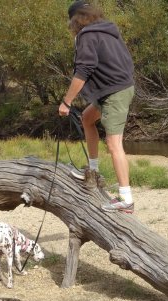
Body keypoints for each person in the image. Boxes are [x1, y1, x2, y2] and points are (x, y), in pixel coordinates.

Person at [58, 0, 135, 213]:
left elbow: (83, 70)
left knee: (113, 144)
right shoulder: (108, 31)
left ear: (76, 20)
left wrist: (66, 102)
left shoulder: (87, 36)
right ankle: (92, 171)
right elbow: (126, 62)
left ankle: (126, 200)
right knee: (87, 118)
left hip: (115, 93)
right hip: (116, 90)